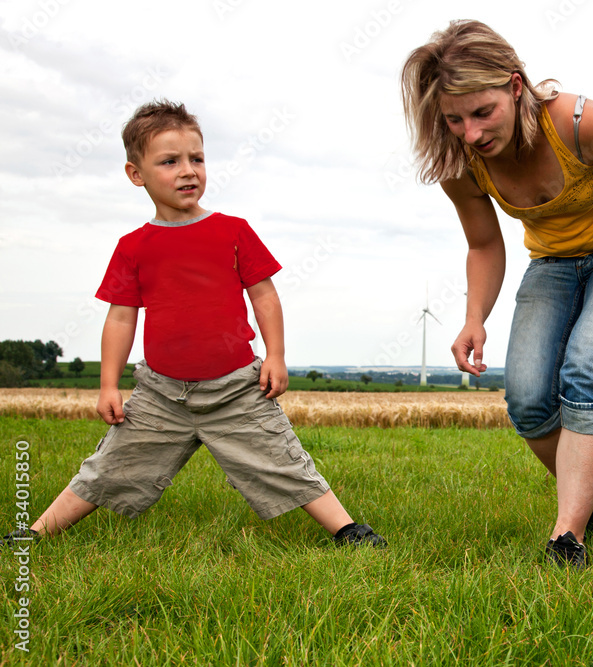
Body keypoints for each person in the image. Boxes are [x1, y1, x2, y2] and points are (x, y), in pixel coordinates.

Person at [2, 101, 384, 549]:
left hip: (237, 391)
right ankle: (33, 535)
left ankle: (349, 531)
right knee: (109, 466)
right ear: (136, 174)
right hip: (161, 395)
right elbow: (121, 317)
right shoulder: (133, 247)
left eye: (196, 159)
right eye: (170, 161)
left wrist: (276, 356)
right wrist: (109, 384)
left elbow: (264, 295)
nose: (188, 171)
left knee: (282, 460)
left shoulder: (233, 231)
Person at [401, 20, 593, 567]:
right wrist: (473, 317)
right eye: (454, 120)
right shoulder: (462, 160)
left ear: (514, 86)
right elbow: (484, 244)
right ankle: (590, 499)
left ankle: (568, 535)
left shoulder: (576, 122)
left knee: (587, 370)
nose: (472, 132)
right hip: (551, 262)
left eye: (482, 113)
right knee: (528, 398)